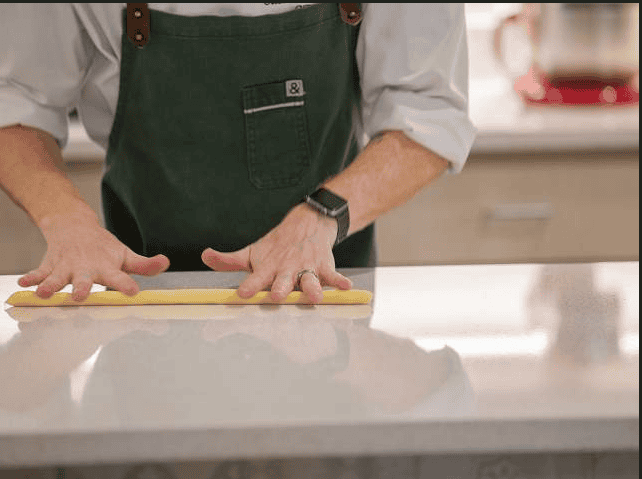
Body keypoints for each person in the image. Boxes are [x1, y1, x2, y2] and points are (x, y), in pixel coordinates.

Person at [0, 4, 477, 304]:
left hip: (318, 297)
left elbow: (427, 111)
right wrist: (66, 220)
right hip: (141, 299)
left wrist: (320, 219)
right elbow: (15, 101)